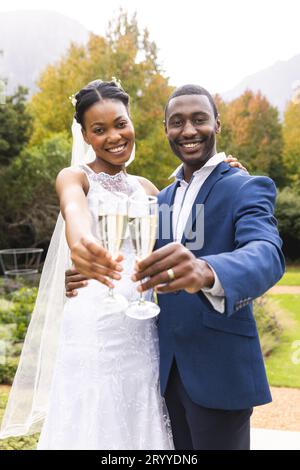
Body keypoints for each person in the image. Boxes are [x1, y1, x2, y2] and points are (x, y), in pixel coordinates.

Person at [66, 84, 284, 450]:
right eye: (176, 122)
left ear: (217, 123)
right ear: (165, 128)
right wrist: (86, 271)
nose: (188, 130)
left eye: (199, 119)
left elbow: (267, 252)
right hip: (159, 374)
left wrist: (207, 271)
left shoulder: (245, 187)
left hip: (219, 373)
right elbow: (134, 258)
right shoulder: (157, 199)